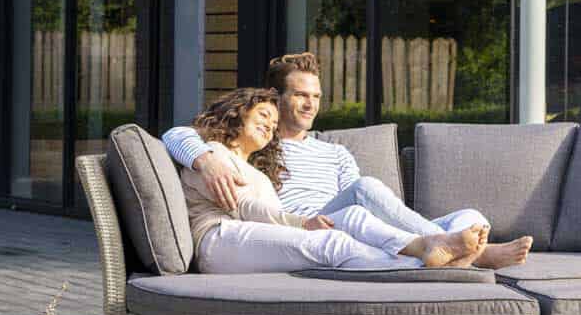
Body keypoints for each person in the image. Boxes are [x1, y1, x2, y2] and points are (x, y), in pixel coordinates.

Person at [164, 52, 532, 269]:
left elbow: (367, 207)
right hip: (303, 225)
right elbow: (177, 135)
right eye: (300, 95)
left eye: (317, 96)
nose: (311, 104)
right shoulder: (257, 145)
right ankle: (459, 250)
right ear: (274, 97)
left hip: (348, 222)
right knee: (366, 190)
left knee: (470, 215)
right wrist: (203, 157)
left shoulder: (335, 152)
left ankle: (448, 244)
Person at [183, 87, 490, 275]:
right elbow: (245, 208)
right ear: (238, 114)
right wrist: (304, 223)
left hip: (248, 236)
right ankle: (429, 266)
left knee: (353, 216)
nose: (269, 125)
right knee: (333, 242)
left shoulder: (257, 171)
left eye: (274, 123)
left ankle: (429, 246)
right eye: (263, 115)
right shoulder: (212, 154)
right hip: (218, 241)